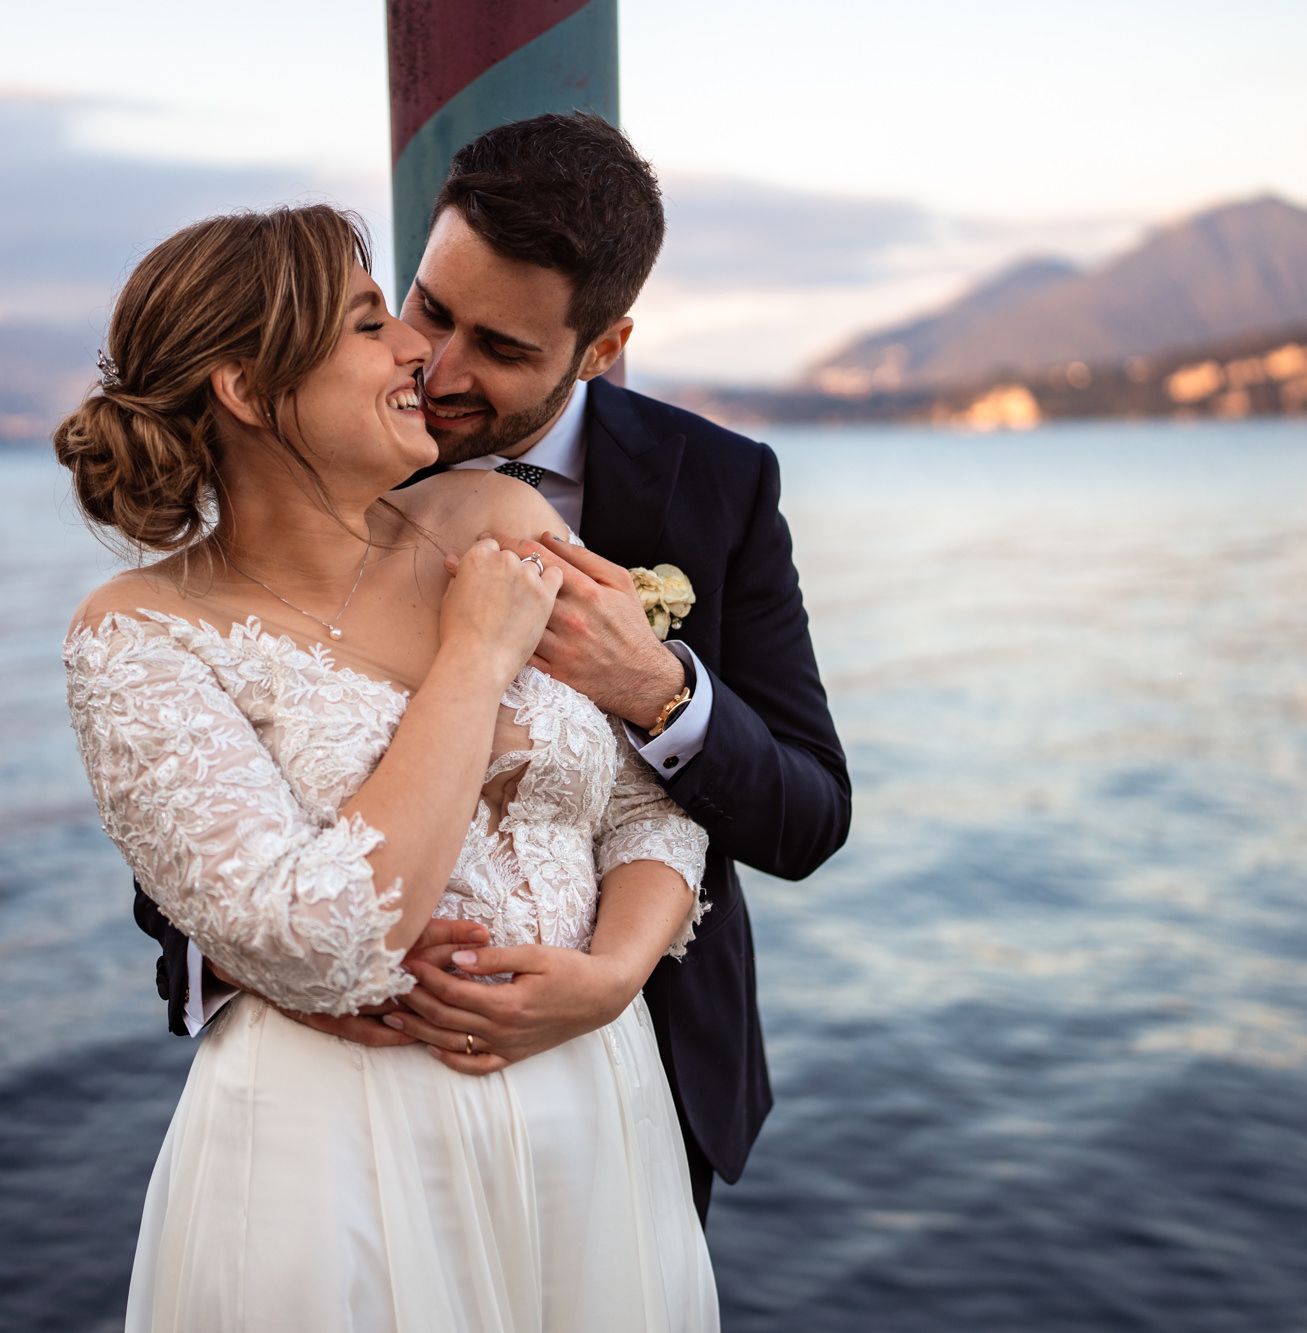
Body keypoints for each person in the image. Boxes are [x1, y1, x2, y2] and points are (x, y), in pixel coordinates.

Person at [137, 113, 852, 1223]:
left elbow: (809, 814)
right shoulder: (325, 456)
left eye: (506, 350)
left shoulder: (717, 485)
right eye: (428, 308)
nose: (439, 368)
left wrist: (655, 691)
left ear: (602, 346)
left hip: (641, 1078)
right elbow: (195, 813)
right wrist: (275, 966)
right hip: (349, 1117)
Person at [58, 203, 719, 1329]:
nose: (423, 350)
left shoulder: (496, 517)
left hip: (599, 1113)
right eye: (374, 324)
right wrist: (472, 658)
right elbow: (324, 937)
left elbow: (648, 802)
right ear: (248, 389)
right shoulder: (138, 635)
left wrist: (609, 975)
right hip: (344, 1155)